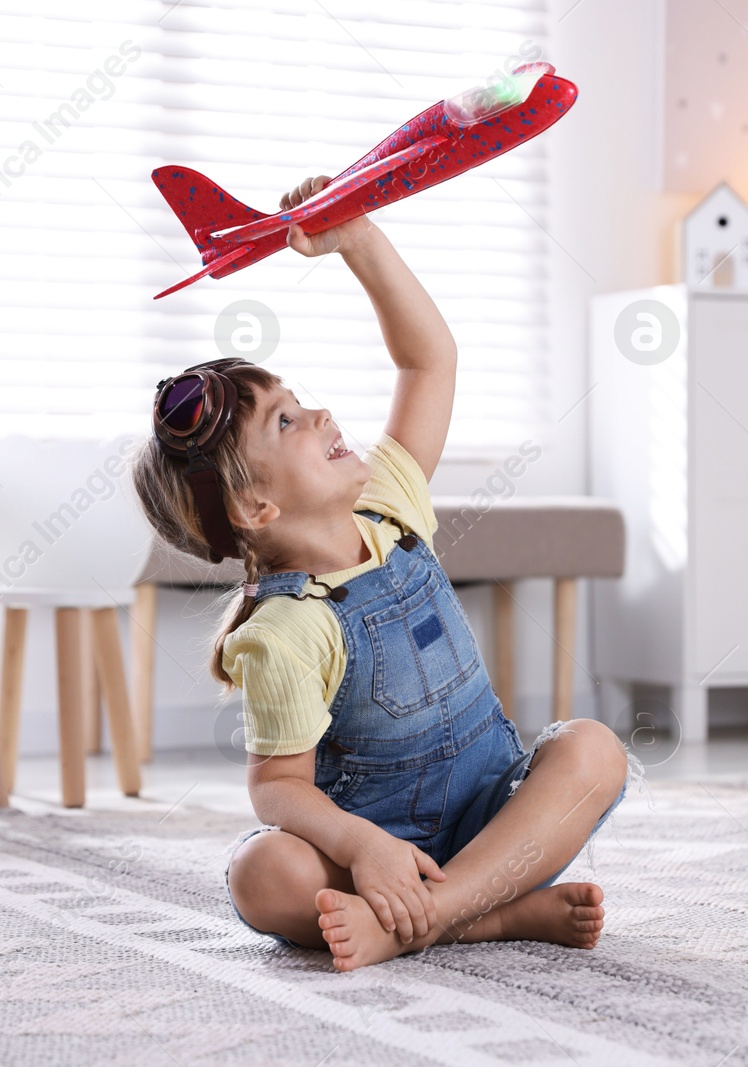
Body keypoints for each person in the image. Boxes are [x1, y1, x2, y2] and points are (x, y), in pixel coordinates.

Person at [132, 176, 638, 971]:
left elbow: (428, 359)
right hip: (370, 849)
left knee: (594, 747)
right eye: (287, 421)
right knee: (262, 871)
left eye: (302, 401)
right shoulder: (286, 629)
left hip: (492, 824)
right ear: (256, 505)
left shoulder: (390, 507)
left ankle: (439, 914)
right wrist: (363, 846)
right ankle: (489, 917)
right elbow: (279, 790)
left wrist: (357, 238)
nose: (323, 414)